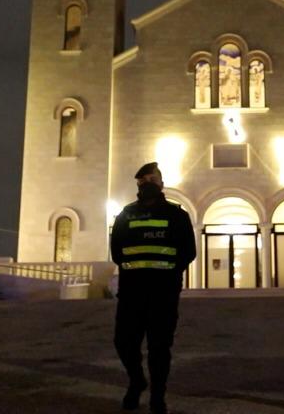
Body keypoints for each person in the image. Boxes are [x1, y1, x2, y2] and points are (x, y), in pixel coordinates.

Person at [110, 162, 197, 413]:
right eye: (142, 180)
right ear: (138, 185)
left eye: (151, 178)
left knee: (159, 347)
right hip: (131, 292)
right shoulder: (126, 214)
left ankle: (158, 396)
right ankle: (136, 381)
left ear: (161, 183)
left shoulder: (177, 215)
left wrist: (170, 275)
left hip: (163, 293)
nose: (147, 183)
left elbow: (188, 252)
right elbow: (117, 251)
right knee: (124, 342)